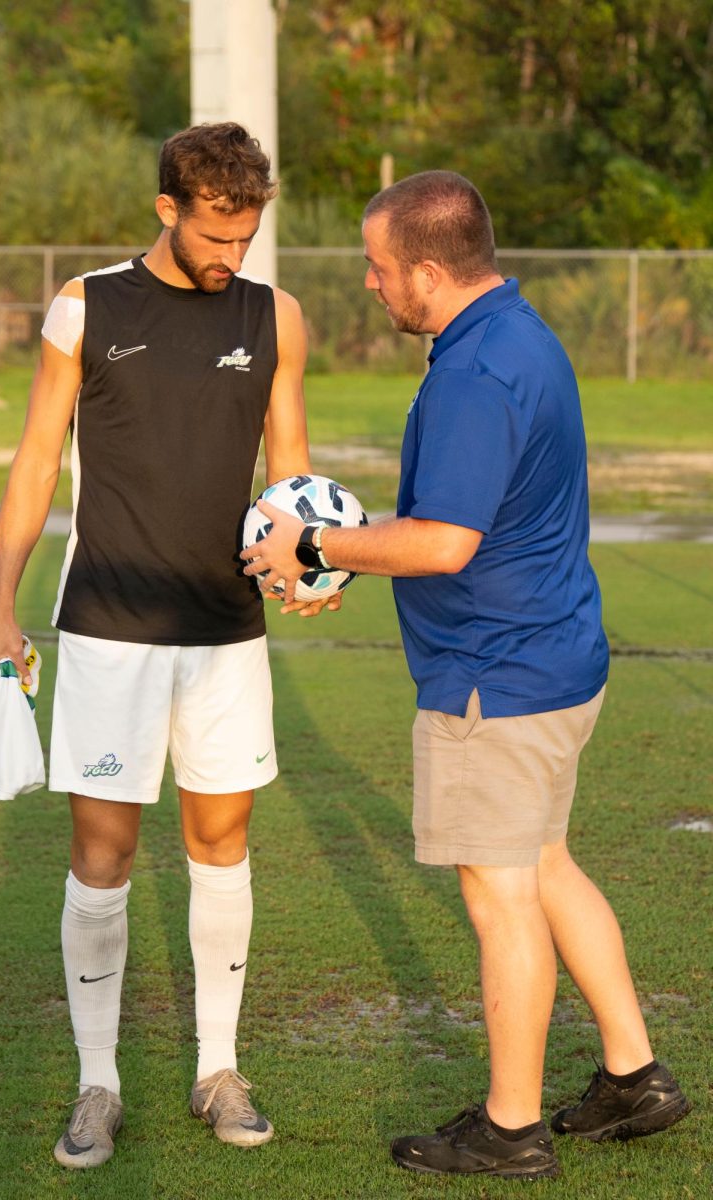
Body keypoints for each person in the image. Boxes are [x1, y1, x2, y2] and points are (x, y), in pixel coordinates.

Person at [242, 170, 690, 1180]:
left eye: (379, 266)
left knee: (499, 894)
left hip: (496, 675)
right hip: (554, 655)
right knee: (541, 862)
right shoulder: (515, 331)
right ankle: (631, 1075)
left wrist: (313, 545)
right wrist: (350, 549)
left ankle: (509, 1127)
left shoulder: (475, 372)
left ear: (431, 271)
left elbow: (444, 542)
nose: (368, 283)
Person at [0, 121, 331, 1169]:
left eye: (248, 232)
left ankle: (218, 1068)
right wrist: (0, 606)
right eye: (217, 231)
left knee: (221, 845)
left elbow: (291, 474)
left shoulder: (276, 317)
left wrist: (306, 560)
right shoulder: (86, 306)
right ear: (167, 207)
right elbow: (37, 461)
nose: (233, 254)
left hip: (225, 630)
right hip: (108, 628)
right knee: (104, 854)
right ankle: (97, 1084)